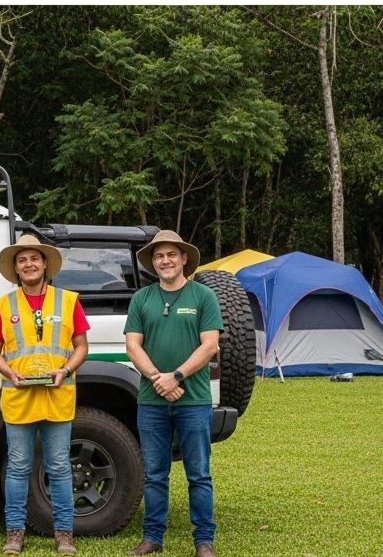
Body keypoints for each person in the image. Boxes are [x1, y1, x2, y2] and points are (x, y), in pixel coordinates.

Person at [0, 235, 89, 555]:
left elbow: (82, 347)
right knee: (17, 465)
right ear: (16, 269)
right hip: (19, 396)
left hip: (58, 395)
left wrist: (65, 370)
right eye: (22, 260)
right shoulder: (4, 305)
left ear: (45, 265)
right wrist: (9, 372)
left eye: (34, 259)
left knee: (58, 466)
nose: (29, 265)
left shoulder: (69, 301)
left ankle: (64, 534)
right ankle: (15, 532)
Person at [123, 231, 221, 557]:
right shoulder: (142, 299)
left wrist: (176, 376)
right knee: (154, 475)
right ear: (154, 263)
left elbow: (210, 345)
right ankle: (152, 538)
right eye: (158, 256)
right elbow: (132, 345)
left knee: (199, 474)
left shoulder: (203, 296)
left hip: (193, 400)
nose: (165, 261)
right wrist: (156, 378)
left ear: (183, 259)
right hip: (151, 402)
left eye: (170, 255)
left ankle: (204, 541)